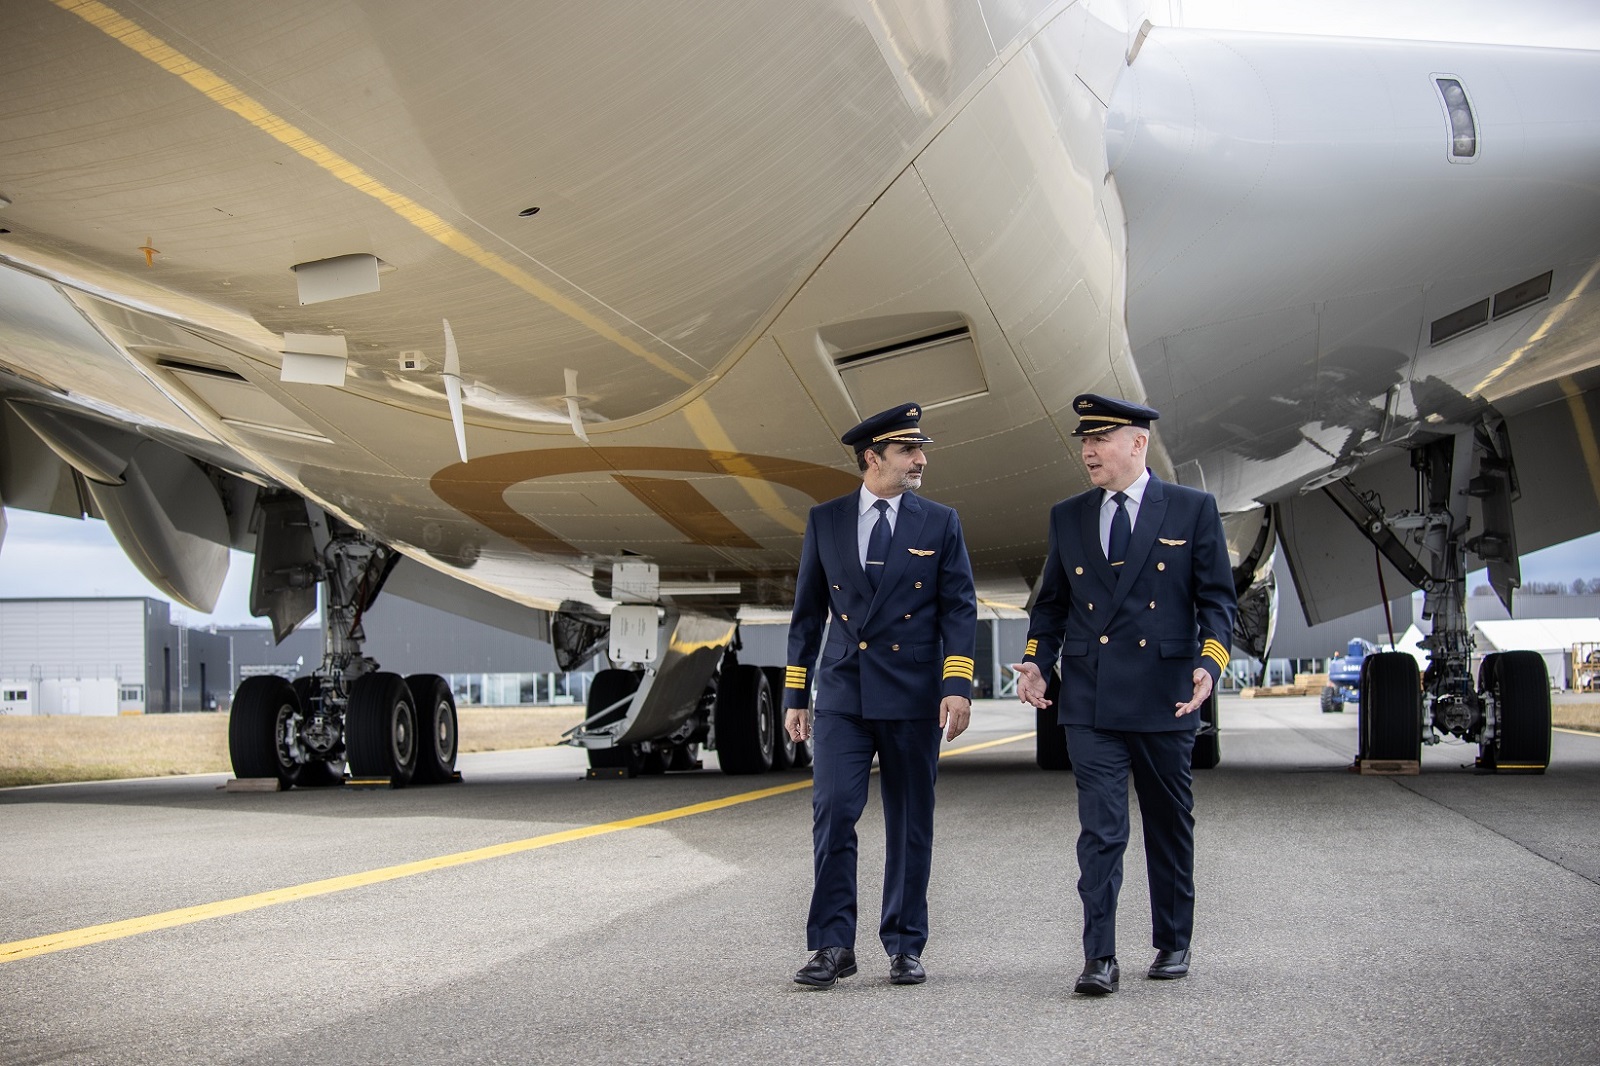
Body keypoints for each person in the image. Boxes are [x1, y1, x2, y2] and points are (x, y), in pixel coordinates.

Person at [1012, 393, 1236, 995]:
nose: (1088, 451)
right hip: (1091, 701)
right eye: (1085, 441)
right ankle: (1100, 957)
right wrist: (1037, 663)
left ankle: (1172, 941)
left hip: (1166, 697)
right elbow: (1051, 607)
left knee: (1168, 824)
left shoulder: (1190, 509)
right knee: (1101, 831)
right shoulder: (1069, 516)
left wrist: (1210, 664)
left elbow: (1217, 601)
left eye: (1100, 440)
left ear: (1138, 443)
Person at [783, 401, 977, 989]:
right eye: (907, 451)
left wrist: (957, 686)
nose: (920, 460)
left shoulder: (939, 521)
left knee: (910, 821)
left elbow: (959, 609)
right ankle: (832, 945)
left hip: (913, 695)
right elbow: (807, 612)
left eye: (919, 450)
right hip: (844, 691)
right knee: (834, 811)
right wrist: (796, 694)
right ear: (873, 458)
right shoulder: (827, 520)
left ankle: (905, 944)